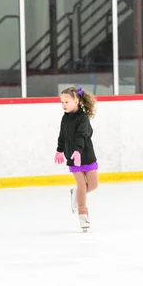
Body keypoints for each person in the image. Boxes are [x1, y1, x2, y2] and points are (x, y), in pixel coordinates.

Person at [54, 86, 99, 230]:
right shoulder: (64, 119)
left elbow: (82, 135)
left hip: (86, 154)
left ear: (77, 101)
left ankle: (75, 193)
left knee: (93, 185)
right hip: (72, 156)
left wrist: (78, 151)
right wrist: (59, 150)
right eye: (62, 102)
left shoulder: (83, 118)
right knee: (81, 184)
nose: (63, 105)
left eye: (67, 102)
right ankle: (83, 215)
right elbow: (62, 135)